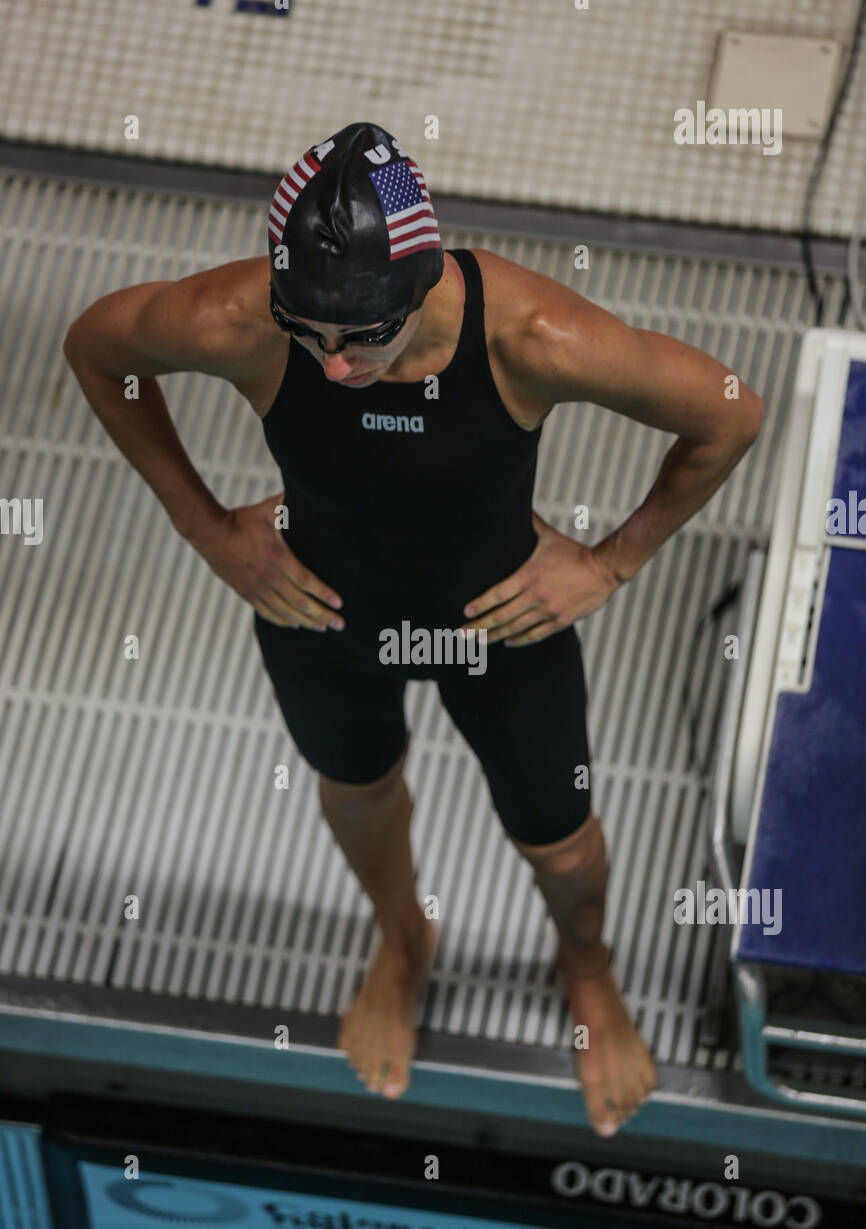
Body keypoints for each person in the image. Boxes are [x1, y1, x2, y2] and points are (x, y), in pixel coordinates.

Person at [63, 121, 764, 1137]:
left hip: (498, 619)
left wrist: (611, 560)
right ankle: (402, 939)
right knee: (356, 796)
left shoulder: (532, 337)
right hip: (319, 607)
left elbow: (730, 412)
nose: (337, 367)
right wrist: (207, 530)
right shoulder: (239, 318)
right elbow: (96, 351)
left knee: (561, 848)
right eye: (312, 333)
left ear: (425, 280)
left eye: (365, 337)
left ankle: (586, 969)